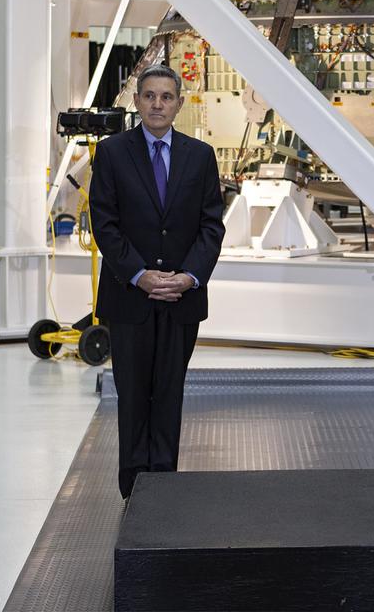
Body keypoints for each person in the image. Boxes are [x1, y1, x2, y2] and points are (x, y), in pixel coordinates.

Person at [90, 65, 225, 499]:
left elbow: (211, 226)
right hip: (130, 297)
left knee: (169, 393)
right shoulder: (112, 153)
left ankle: (163, 489)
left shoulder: (200, 156)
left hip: (181, 300)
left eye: (166, 97)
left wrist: (187, 277)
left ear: (179, 104)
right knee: (132, 396)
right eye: (149, 96)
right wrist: (140, 275)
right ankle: (132, 490)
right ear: (137, 101)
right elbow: (105, 224)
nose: (157, 105)